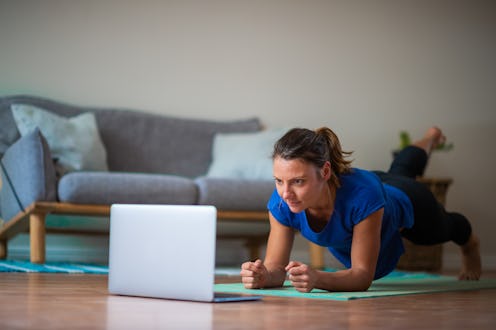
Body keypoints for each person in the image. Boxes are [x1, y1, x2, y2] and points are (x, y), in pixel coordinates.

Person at [240, 126, 481, 292]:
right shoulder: (282, 202)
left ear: (325, 172)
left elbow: (363, 275)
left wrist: (318, 277)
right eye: (279, 180)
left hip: (405, 199)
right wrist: (263, 276)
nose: (285, 193)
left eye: (298, 181)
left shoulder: (363, 198)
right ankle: (430, 136)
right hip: (375, 186)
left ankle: (471, 246)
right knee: (401, 168)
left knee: (444, 227)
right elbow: (276, 268)